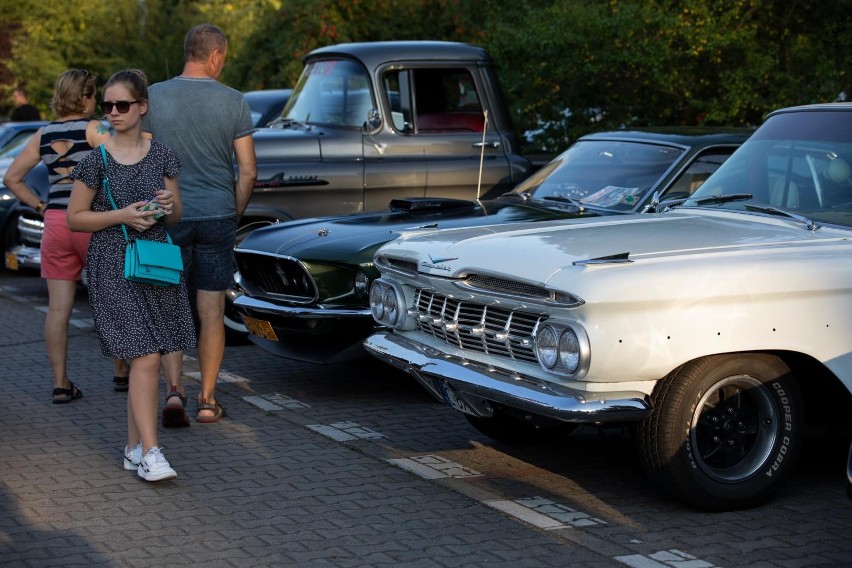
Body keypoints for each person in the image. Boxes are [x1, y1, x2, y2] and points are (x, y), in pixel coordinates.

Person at [67, 69, 196, 481]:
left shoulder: (163, 155)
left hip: (155, 260)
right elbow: (74, 218)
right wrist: (121, 215)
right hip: (111, 264)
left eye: (122, 105)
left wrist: (166, 202)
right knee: (146, 355)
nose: (114, 112)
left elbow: (176, 214)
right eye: (107, 106)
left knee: (146, 357)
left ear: (142, 107)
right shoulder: (96, 160)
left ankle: (133, 447)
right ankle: (153, 453)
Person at [144, 23, 257, 425]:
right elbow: (247, 171)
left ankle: (174, 391)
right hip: (217, 217)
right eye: (222, 58)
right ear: (214, 56)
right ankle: (208, 401)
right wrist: (234, 210)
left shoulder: (153, 97)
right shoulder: (234, 101)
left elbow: (144, 161)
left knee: (170, 307)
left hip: (165, 217)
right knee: (211, 310)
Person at [3, 69, 130, 403]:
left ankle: (61, 383)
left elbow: (13, 178)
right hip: (91, 221)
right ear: (86, 98)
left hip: (57, 224)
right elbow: (125, 162)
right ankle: (120, 372)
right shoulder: (95, 129)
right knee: (110, 298)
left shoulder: (42, 134)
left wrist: (40, 205)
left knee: (58, 309)